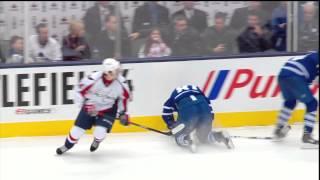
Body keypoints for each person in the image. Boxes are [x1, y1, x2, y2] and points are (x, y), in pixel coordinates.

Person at [56, 58, 131, 155]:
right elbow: (78, 91)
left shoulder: (122, 83)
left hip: (108, 109)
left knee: (100, 132)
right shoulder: (92, 79)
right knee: (76, 131)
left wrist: (123, 113)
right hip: (90, 106)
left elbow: (124, 99)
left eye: (117, 70)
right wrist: (85, 105)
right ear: (107, 72)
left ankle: (97, 141)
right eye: (114, 71)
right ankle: (67, 145)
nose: (117, 73)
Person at [162, 85, 234, 152]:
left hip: (188, 108)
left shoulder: (174, 96)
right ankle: (220, 136)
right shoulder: (197, 91)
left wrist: (171, 124)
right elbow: (208, 105)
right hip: (204, 107)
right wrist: (205, 123)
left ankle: (187, 137)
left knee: (179, 136)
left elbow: (166, 111)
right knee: (204, 137)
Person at [274, 51, 319, 148]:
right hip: (295, 76)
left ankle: (279, 129)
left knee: (290, 101)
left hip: (282, 75)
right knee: (312, 104)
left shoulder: (310, 55)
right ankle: (307, 136)